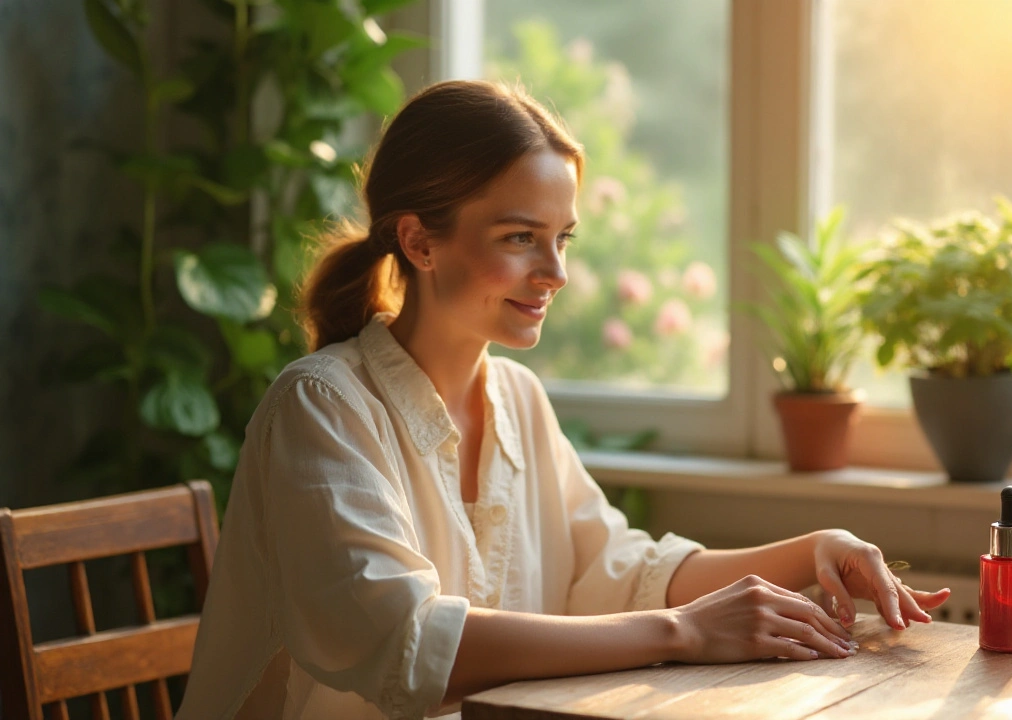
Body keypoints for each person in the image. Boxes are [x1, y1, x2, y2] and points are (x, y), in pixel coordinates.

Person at [177, 80, 950, 720]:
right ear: (419, 242)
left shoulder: (515, 398)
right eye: (520, 238)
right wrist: (681, 633)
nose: (556, 273)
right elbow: (408, 649)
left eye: (563, 239)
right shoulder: (319, 409)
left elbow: (613, 570)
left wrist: (809, 552)